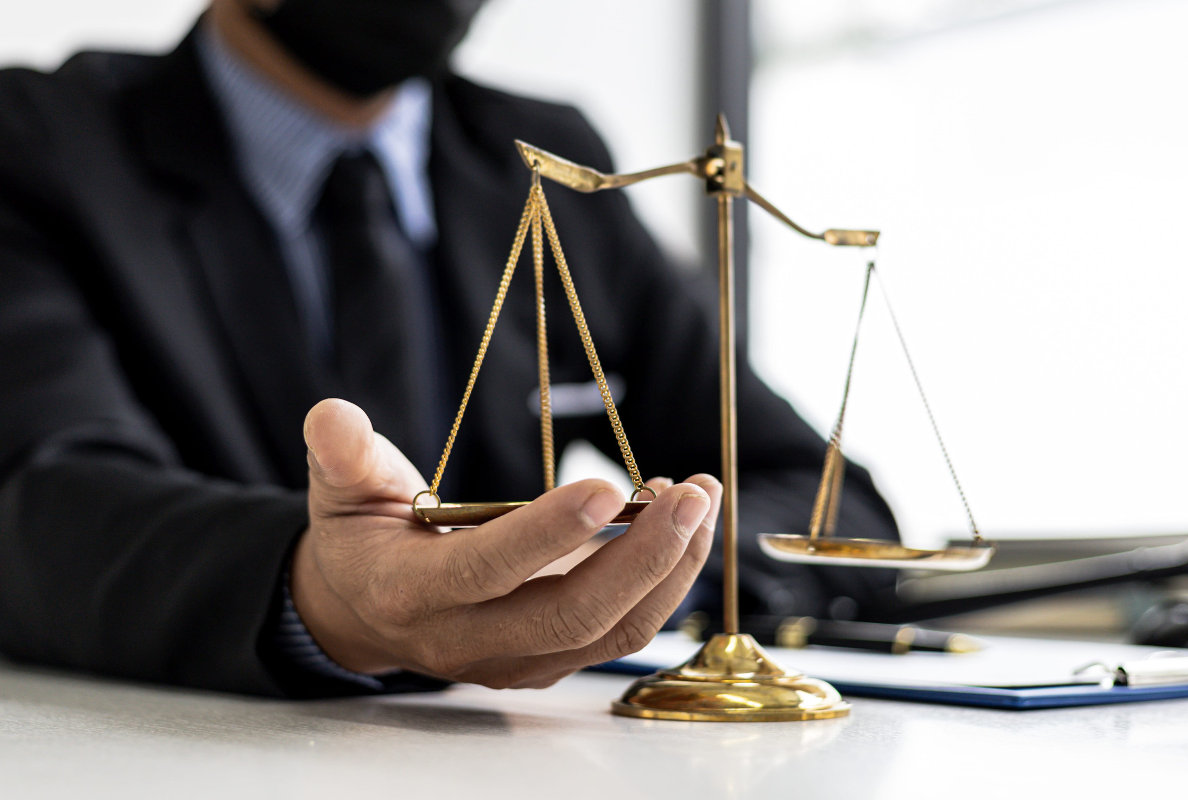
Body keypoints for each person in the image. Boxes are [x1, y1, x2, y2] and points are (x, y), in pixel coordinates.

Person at [0, 0, 901, 698]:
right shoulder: (44, 145)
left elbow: (826, 496)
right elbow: (38, 503)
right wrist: (326, 596)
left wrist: (639, 576)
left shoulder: (549, 163)